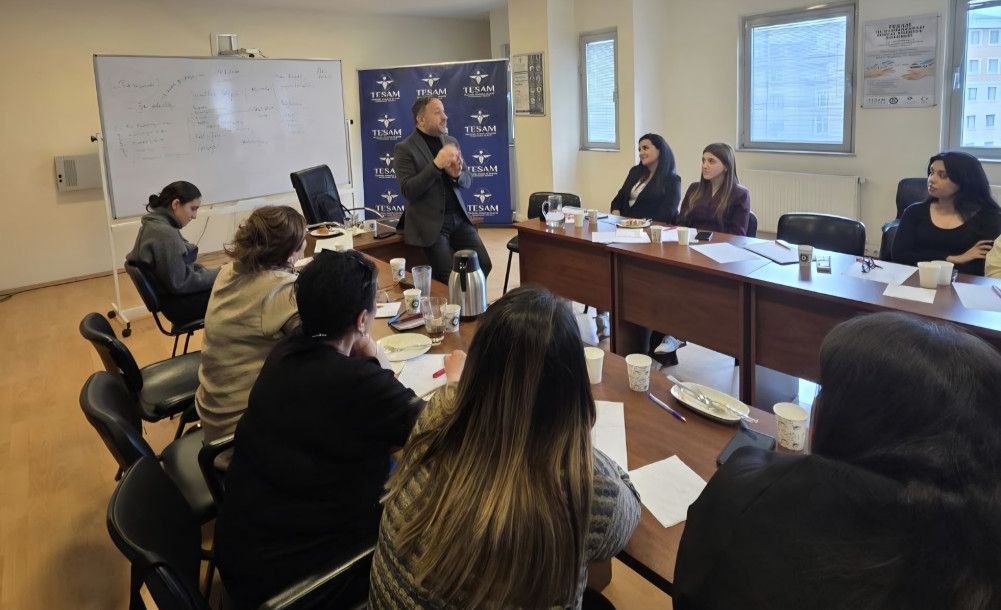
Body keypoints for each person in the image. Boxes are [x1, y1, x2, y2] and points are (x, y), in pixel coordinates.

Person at [673, 312, 1001, 610]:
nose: (815, 403)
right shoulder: (978, 559)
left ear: (856, 419)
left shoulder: (745, 494)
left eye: (822, 390)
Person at [370, 285, 641, 610]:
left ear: (477, 368)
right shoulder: (587, 489)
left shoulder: (436, 415)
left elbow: (458, 402)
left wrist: (457, 384)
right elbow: (629, 504)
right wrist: (576, 434)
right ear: (574, 391)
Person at [214, 250, 423, 609]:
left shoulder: (284, 351)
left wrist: (364, 342)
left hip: (245, 553)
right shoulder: (357, 383)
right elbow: (435, 426)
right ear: (362, 319)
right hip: (301, 584)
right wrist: (454, 378)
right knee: (428, 507)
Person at [194, 205, 307, 465]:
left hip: (214, 424)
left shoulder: (227, 272)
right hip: (245, 443)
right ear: (291, 251)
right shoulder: (281, 292)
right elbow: (328, 349)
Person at [394, 95, 492, 283]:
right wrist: (436, 164)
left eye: (444, 111)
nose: (445, 117)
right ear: (421, 119)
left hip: (459, 219)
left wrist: (456, 175)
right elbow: (409, 190)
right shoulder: (404, 148)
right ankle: (458, 302)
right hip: (431, 223)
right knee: (449, 277)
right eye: (437, 112)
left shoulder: (450, 141)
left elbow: (468, 179)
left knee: (483, 264)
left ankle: (470, 301)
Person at [892, 151, 1001, 276]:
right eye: (931, 172)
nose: (931, 179)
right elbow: (900, 256)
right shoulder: (914, 212)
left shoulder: (989, 217)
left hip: (964, 283)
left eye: (943, 175)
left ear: (964, 180)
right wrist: (954, 258)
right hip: (917, 279)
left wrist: (924, 258)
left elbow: (981, 266)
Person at [125, 181, 219, 326]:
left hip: (173, 300)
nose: (194, 216)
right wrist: (220, 274)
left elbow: (179, 270)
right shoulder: (164, 234)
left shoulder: (156, 225)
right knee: (238, 293)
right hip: (180, 306)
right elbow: (181, 283)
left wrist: (214, 273)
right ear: (176, 204)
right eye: (193, 208)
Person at [676, 143, 750, 236]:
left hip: (722, 244)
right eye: (703, 161)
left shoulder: (740, 194)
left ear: (726, 166)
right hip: (691, 242)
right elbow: (681, 222)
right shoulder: (694, 189)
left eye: (711, 161)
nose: (704, 166)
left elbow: (737, 235)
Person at [610, 133, 682, 223]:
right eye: (639, 149)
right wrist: (617, 219)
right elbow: (617, 200)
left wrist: (639, 224)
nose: (641, 153)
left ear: (660, 150)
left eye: (645, 148)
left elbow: (667, 214)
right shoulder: (635, 172)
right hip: (624, 225)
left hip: (650, 229)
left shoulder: (672, 180)